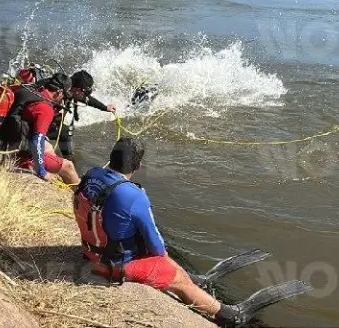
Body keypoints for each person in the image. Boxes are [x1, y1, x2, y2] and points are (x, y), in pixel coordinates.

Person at [73, 137, 246, 327]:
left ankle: (194, 282)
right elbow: (157, 247)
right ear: (138, 166)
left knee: (141, 244)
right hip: (112, 266)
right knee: (178, 278)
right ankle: (229, 315)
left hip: (90, 251)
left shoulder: (92, 174)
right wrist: (171, 267)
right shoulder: (134, 195)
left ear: (111, 157)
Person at [0, 73, 80, 185]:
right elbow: (36, 142)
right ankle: (77, 194)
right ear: (59, 92)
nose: (63, 98)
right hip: (15, 150)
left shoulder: (30, 91)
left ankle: (49, 165)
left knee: (48, 146)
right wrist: (42, 172)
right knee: (69, 166)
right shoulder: (45, 109)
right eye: (64, 95)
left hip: (4, 139)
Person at [47, 70, 117, 162]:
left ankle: (68, 161)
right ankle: (68, 163)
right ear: (77, 90)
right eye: (84, 93)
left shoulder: (69, 89)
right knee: (65, 132)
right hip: (35, 127)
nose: (84, 96)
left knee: (64, 132)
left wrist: (104, 107)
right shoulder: (54, 93)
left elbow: (86, 99)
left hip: (49, 124)